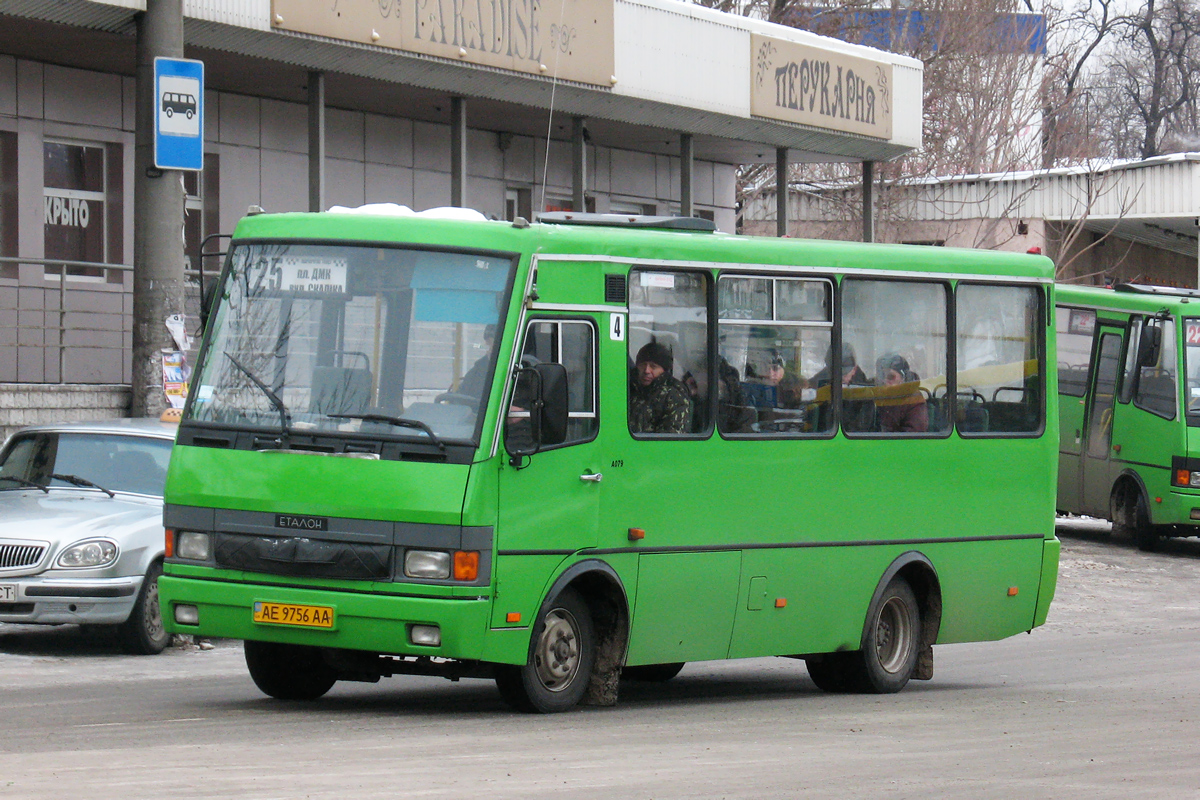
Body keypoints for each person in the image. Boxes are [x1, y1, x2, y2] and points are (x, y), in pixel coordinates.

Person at [629, 341, 691, 434]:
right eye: (643, 365)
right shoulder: (628, 389)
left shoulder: (674, 397)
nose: (646, 370)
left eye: (653, 367)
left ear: (664, 370)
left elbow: (669, 438)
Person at [875, 352, 928, 433]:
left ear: (903, 378)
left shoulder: (914, 400)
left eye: (891, 376)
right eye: (882, 375)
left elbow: (914, 433)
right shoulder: (878, 396)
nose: (885, 381)